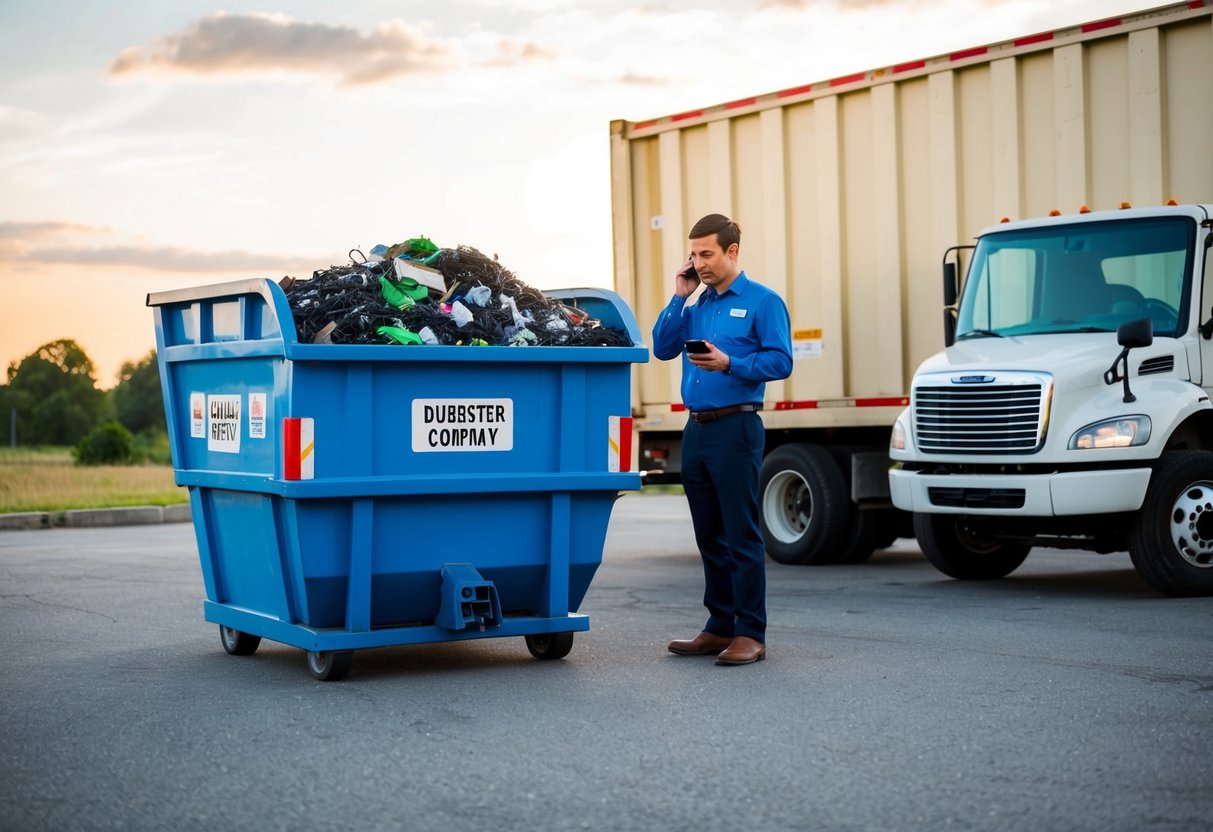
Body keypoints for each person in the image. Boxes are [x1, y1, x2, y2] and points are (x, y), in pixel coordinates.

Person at [651, 213, 793, 666]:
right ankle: (719, 626)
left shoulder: (763, 302)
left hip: (737, 427)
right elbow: (662, 347)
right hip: (697, 429)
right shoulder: (696, 306)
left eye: (706, 253)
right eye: (693, 254)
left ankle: (751, 632)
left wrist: (731, 364)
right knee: (709, 535)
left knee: (740, 535)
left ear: (732, 251)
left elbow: (781, 361)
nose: (699, 262)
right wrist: (678, 296)